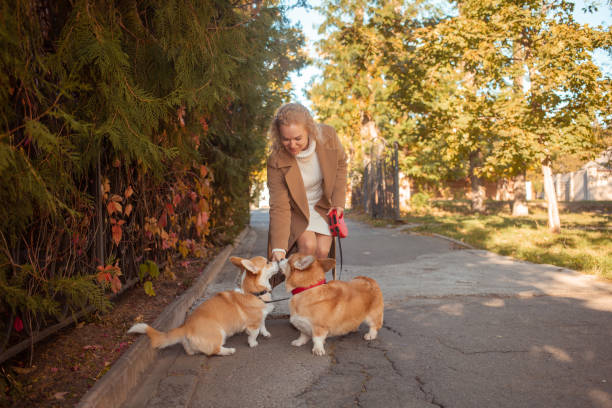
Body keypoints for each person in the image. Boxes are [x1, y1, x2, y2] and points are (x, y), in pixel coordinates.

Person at [266, 103, 347, 283]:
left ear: (309, 130)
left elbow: (341, 165)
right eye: (286, 139)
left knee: (322, 253)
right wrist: (278, 248)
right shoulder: (276, 160)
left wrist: (338, 201)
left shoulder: (328, 136)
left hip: (322, 206)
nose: (292, 144)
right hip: (297, 210)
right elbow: (279, 206)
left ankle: (315, 297)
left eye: (297, 138)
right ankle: (302, 298)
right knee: (308, 246)